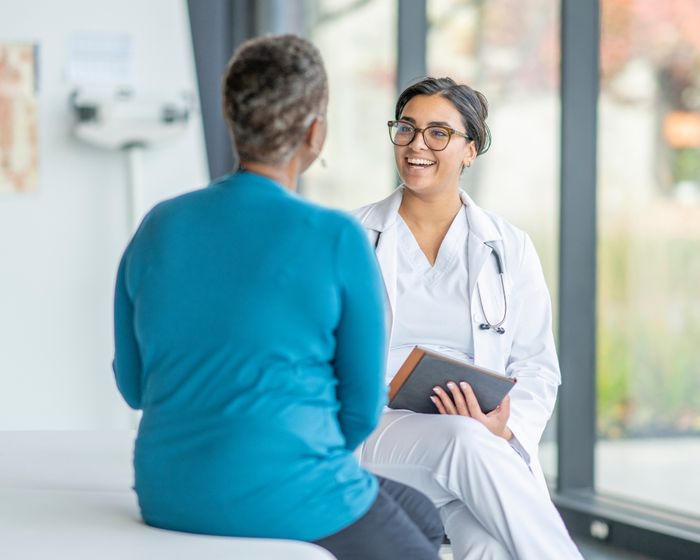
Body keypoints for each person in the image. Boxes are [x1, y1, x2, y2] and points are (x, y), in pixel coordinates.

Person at [112, 35, 443, 560]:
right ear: (316, 132)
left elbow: (133, 388)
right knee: (423, 541)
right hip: (291, 495)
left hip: (168, 493)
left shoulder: (159, 225)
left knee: (422, 513)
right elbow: (360, 412)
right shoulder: (335, 238)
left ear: (232, 119)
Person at [352, 77, 584, 560]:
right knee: (464, 439)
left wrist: (505, 426)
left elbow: (537, 365)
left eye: (438, 133)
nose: (418, 144)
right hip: (379, 430)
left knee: (492, 547)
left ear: (470, 150)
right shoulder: (350, 237)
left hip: (478, 446)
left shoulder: (508, 245)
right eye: (407, 129)